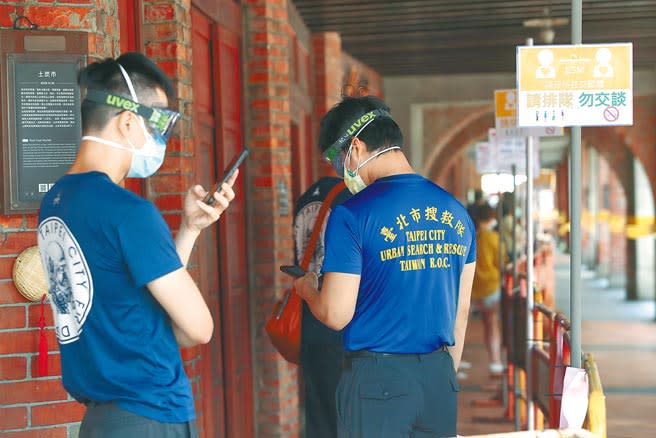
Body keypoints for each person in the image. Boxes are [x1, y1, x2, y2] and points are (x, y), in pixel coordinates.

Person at [37, 53, 237, 437]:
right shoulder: (129, 211)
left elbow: (136, 303)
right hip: (150, 412)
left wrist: (189, 229)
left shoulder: (57, 201)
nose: (161, 136)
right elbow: (198, 328)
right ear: (128, 121)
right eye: (158, 121)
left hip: (102, 419)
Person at [293, 96, 476, 438]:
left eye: (337, 158)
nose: (339, 169)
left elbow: (335, 314)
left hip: (377, 382)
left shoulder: (352, 215)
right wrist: (442, 375)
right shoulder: (457, 214)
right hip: (439, 377)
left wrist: (307, 290)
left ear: (357, 147)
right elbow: (461, 310)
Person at [294, 176, 351, 438]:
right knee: (344, 413)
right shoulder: (350, 200)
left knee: (317, 411)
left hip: (308, 318)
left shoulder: (305, 198)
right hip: (340, 323)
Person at [470, 203, 505, 376]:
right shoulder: (494, 238)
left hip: (475, 289)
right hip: (492, 287)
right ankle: (495, 361)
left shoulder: (472, 237)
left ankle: (493, 360)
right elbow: (502, 262)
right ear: (491, 218)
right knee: (492, 324)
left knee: (486, 324)